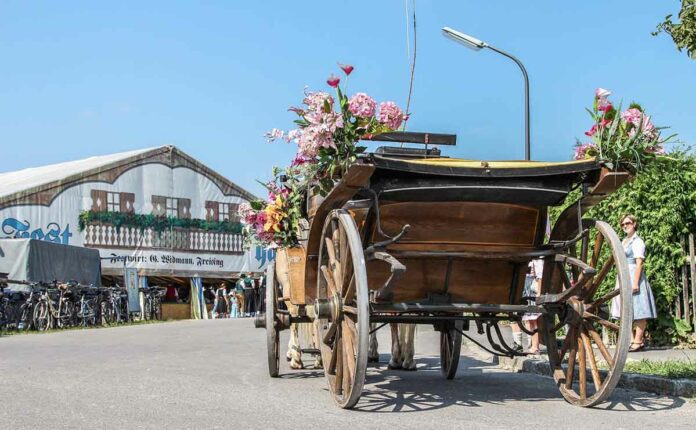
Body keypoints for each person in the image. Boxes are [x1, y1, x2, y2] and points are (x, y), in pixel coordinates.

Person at [611, 214, 657, 352]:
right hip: (623, 276)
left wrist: (635, 283)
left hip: (633, 276)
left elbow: (639, 264)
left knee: (639, 309)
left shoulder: (637, 242)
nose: (625, 226)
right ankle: (630, 340)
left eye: (628, 223)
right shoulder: (624, 241)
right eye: (623, 224)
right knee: (624, 309)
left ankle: (638, 341)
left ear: (634, 224)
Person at [522, 259, 543, 354]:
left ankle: (535, 346)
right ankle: (532, 345)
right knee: (529, 319)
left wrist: (538, 293)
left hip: (532, 290)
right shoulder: (532, 261)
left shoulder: (538, 261)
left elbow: (540, 276)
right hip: (527, 287)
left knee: (533, 319)